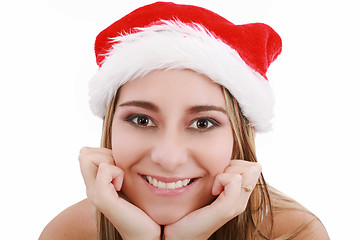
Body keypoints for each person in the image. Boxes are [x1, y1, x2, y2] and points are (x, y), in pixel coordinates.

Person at [39, 2, 329, 240]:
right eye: (141, 120)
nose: (168, 157)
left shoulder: (294, 233)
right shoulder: (68, 234)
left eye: (202, 123)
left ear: (238, 135)